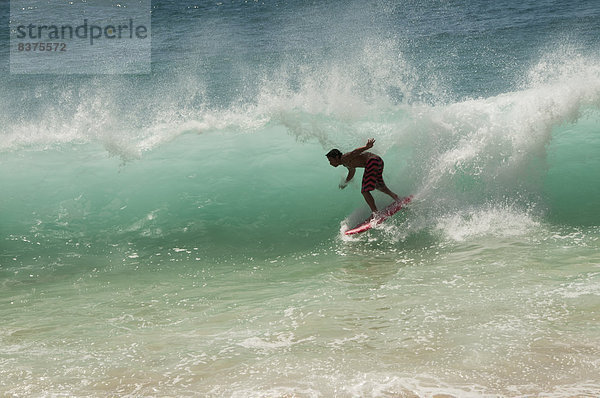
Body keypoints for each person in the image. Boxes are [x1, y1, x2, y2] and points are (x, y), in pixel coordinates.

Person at [326, 138, 400, 215]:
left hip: (372, 161)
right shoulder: (345, 163)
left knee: (365, 191)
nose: (330, 163)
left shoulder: (345, 158)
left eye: (330, 160)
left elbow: (354, 152)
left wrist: (367, 147)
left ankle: (376, 213)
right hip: (378, 161)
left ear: (337, 157)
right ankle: (396, 197)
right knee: (379, 185)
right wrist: (345, 182)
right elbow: (352, 172)